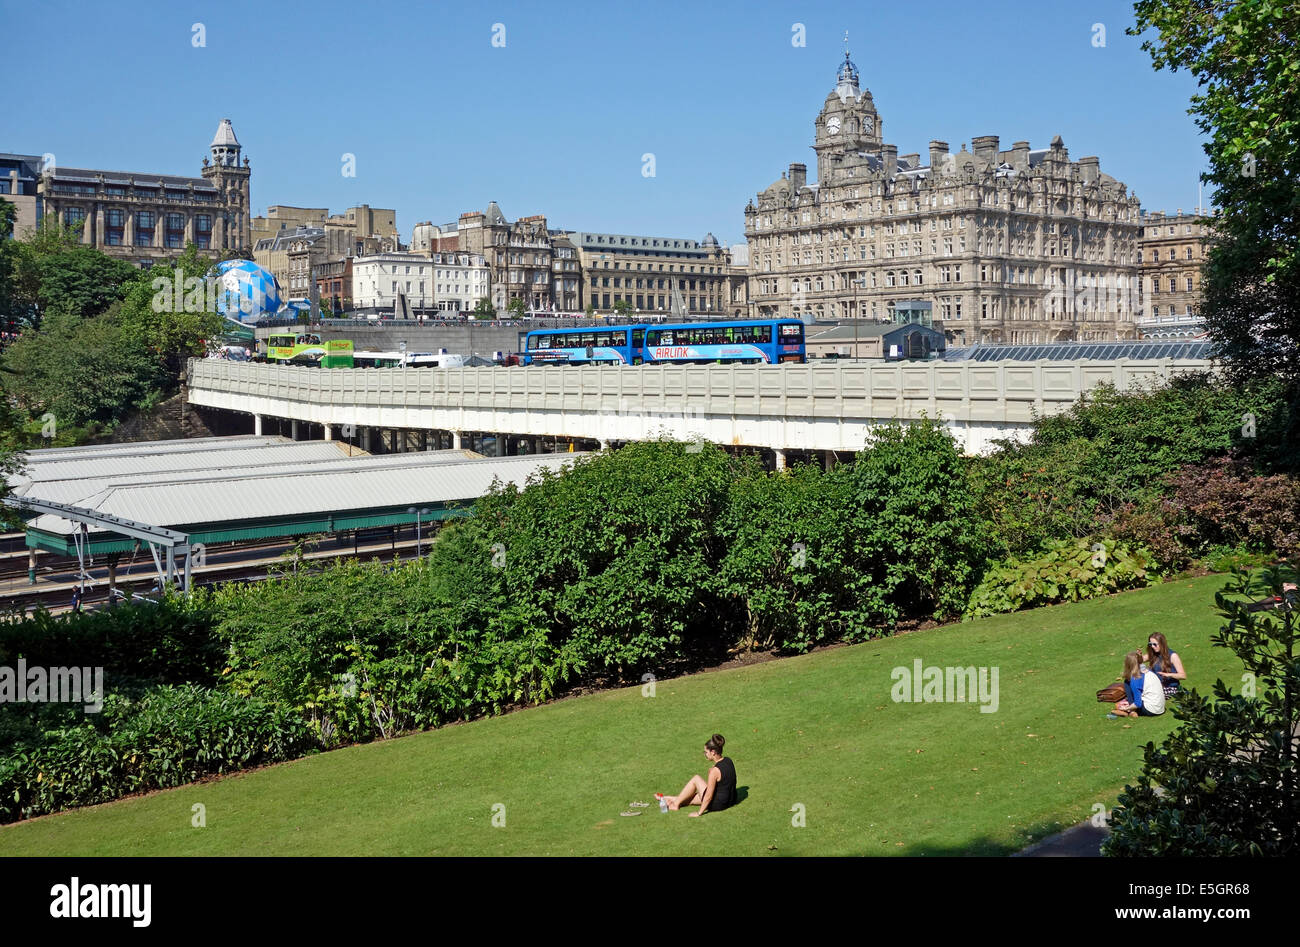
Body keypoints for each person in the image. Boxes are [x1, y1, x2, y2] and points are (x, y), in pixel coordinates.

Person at [658, 734, 737, 816]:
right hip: (730, 800)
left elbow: (708, 796)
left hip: (718, 804)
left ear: (713, 752)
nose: (705, 754)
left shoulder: (714, 771)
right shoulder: (728, 760)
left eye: (706, 752)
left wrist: (699, 813)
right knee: (693, 799)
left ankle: (675, 805)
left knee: (696, 779)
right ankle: (670, 799)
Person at [1113, 651, 1165, 718]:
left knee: (1126, 682)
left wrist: (1126, 708)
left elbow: (1138, 704)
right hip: (1160, 708)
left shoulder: (1135, 679)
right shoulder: (1149, 671)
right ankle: (1130, 709)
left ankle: (1130, 711)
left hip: (1151, 710)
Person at [1144, 632, 1186, 699]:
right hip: (1156, 687)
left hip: (1170, 688)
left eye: (1155, 644)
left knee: (1146, 697)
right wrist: (1138, 656)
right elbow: (1140, 660)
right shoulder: (1154, 654)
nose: (1152, 646)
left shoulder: (1173, 656)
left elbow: (1183, 676)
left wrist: (1168, 675)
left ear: (1162, 644)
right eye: (1150, 644)